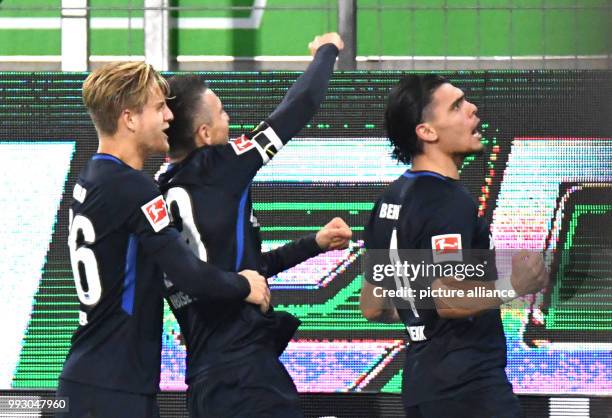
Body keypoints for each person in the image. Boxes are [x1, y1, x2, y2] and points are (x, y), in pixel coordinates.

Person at [56, 61, 269, 418]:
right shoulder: (133, 187)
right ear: (130, 119)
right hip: (117, 391)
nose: (170, 116)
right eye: (159, 107)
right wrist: (243, 284)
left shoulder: (92, 177)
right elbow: (188, 273)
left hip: (83, 384)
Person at [156, 33, 351, 417]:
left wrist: (315, 242)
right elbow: (298, 107)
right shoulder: (222, 165)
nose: (231, 120)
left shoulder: (158, 193)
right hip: (246, 378)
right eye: (223, 113)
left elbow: (243, 273)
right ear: (205, 135)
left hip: (204, 384)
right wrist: (326, 52)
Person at [360, 74, 549, 418]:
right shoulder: (447, 202)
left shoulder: (388, 201)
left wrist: (422, 311)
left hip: (422, 387)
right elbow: (447, 297)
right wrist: (513, 286)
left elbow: (373, 305)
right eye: (457, 106)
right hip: (468, 389)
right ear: (427, 132)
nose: (472, 109)